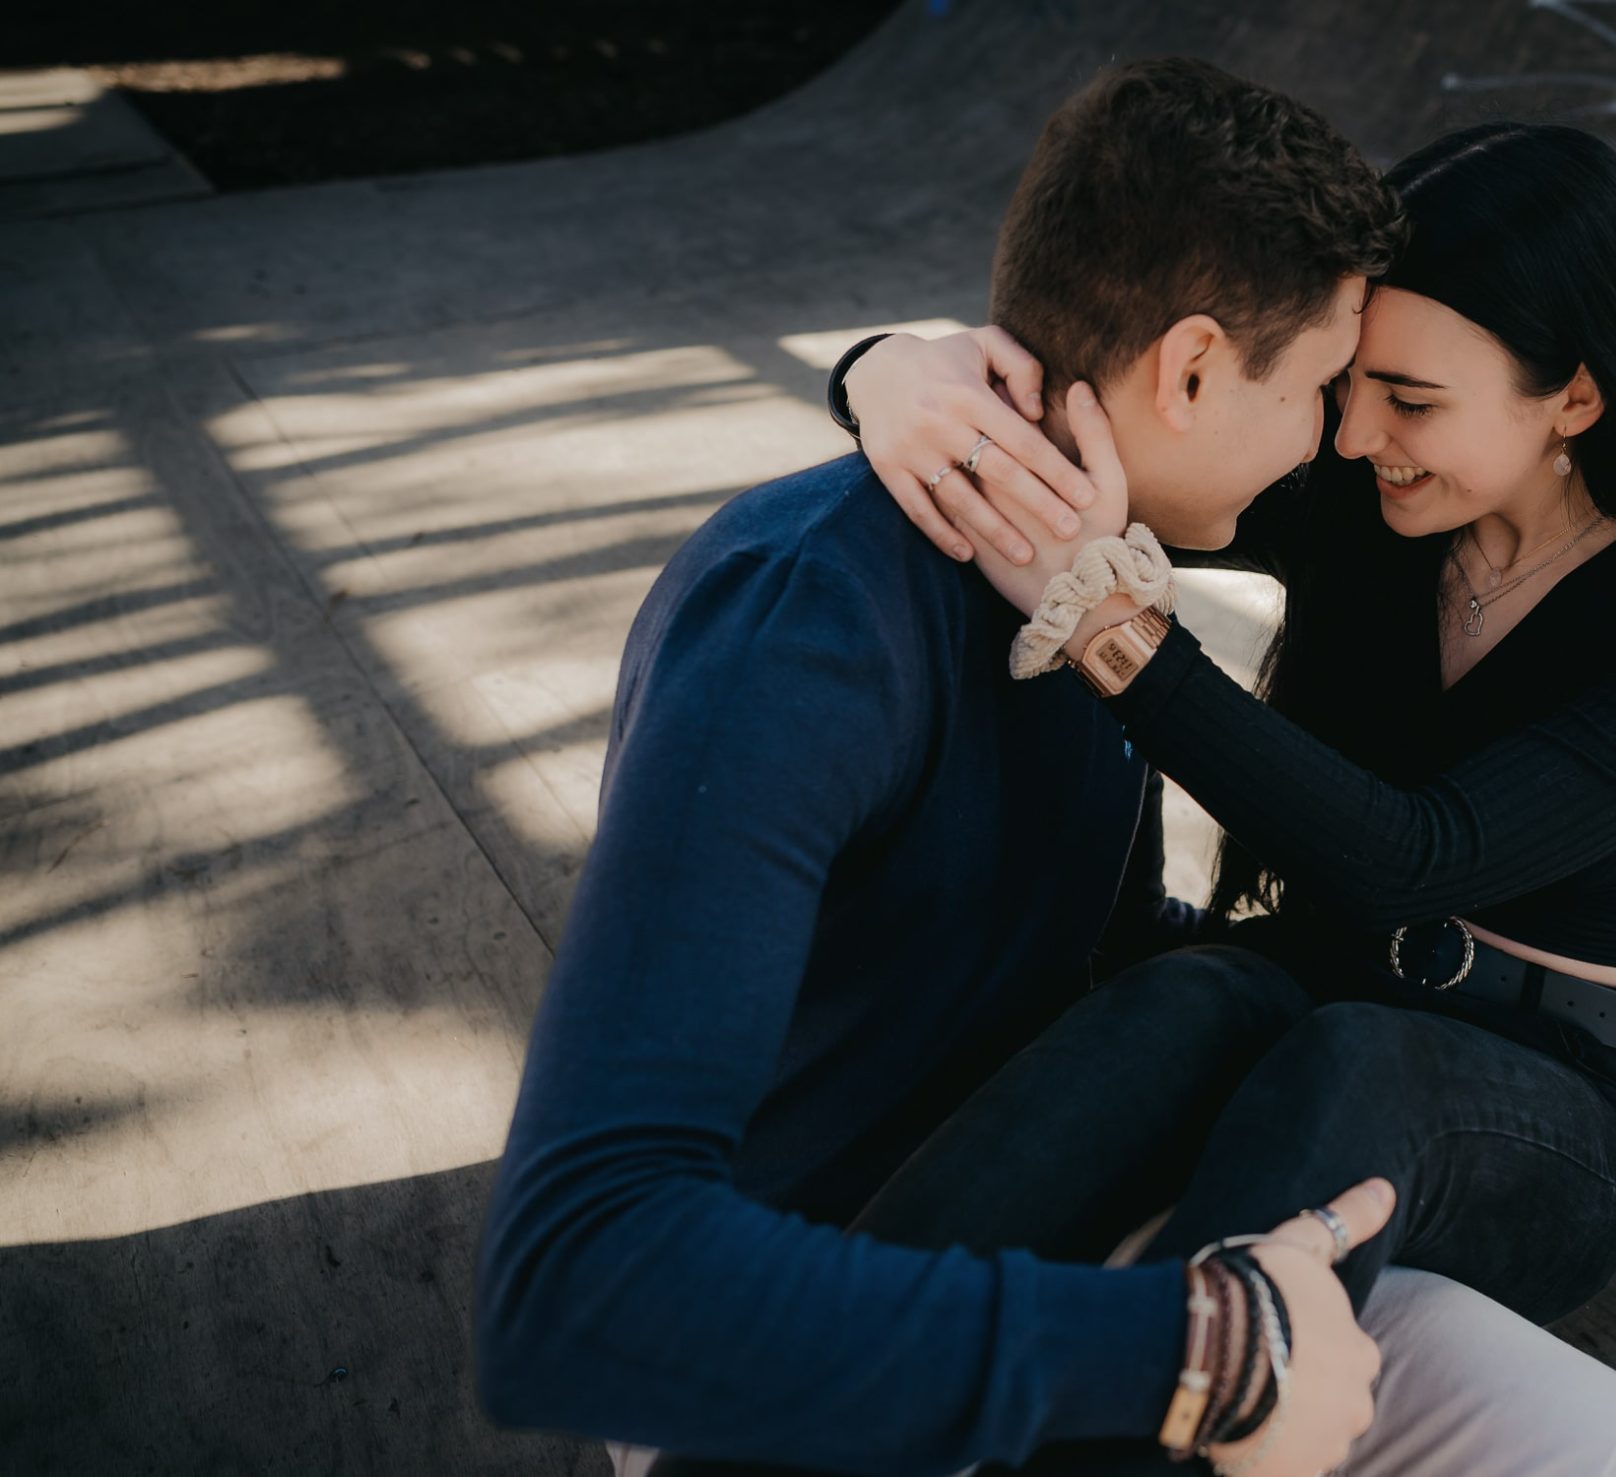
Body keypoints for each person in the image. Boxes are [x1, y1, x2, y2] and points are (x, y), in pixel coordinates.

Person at [816, 119, 1616, 1471]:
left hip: (1532, 1106)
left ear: (1575, 399)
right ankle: (796, 1380)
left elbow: (1423, 857)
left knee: (1355, 1057)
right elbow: (1108, 428)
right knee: (1189, 988)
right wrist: (889, 371)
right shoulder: (1375, 503)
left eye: (1412, 401)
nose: (1353, 437)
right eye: (1351, 384)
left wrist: (1116, 636)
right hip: (1303, 990)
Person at [474, 56, 1412, 1477]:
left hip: (1044, 1210)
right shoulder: (808, 622)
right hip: (801, 1352)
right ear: (1196, 367)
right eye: (1329, 388)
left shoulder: (1099, 578)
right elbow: (578, 1283)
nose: (1341, 439)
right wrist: (1192, 1349)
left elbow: (1078, 947)